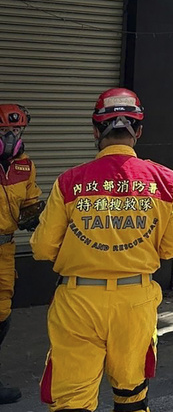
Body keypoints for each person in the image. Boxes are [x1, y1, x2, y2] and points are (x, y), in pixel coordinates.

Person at [31, 88, 173, 412]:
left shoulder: (69, 182)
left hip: (77, 303)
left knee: (71, 403)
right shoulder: (165, 181)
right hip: (135, 301)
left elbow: (43, 248)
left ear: (94, 129)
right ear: (138, 131)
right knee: (132, 397)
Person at [0, 105, 42, 404]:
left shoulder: (25, 166)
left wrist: (38, 216)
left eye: (16, 131)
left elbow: (30, 203)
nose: (11, 137)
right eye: (4, 132)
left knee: (2, 313)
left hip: (5, 247)